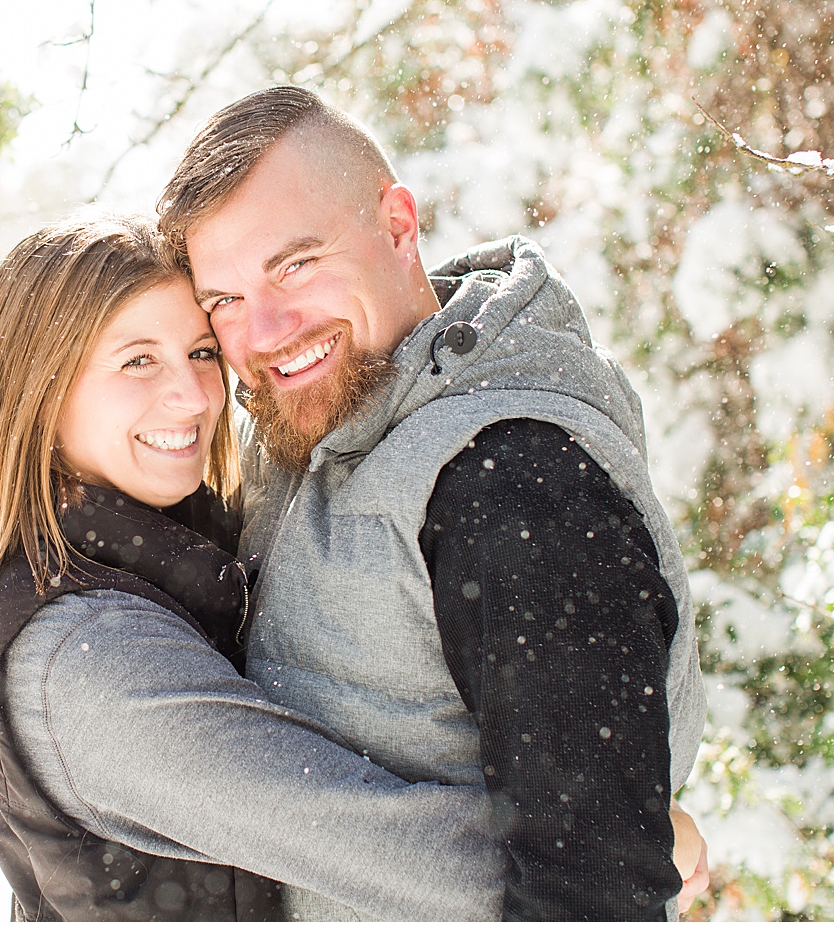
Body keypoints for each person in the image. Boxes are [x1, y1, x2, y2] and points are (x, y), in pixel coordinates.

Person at [157, 85, 710, 920]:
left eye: (295, 264)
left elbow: (595, 887)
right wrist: (8, 713)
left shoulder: (512, 480)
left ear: (399, 225)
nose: (264, 330)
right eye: (224, 301)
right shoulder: (318, 426)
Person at [0, 211, 513, 920]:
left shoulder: (172, 553)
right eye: (137, 359)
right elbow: (368, 840)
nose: (193, 396)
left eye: (202, 353)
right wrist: (601, 839)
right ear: (36, 391)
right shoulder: (84, 657)